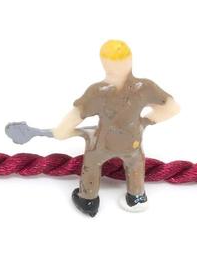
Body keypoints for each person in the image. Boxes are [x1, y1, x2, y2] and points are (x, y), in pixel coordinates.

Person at [52, 40, 180, 216]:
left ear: (104, 63)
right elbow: (172, 108)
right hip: (132, 142)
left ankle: (87, 198)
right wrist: (145, 122)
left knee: (92, 160)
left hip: (104, 143)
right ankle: (137, 197)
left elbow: (75, 117)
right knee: (136, 162)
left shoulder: (98, 91)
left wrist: (61, 133)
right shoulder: (145, 87)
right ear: (130, 60)